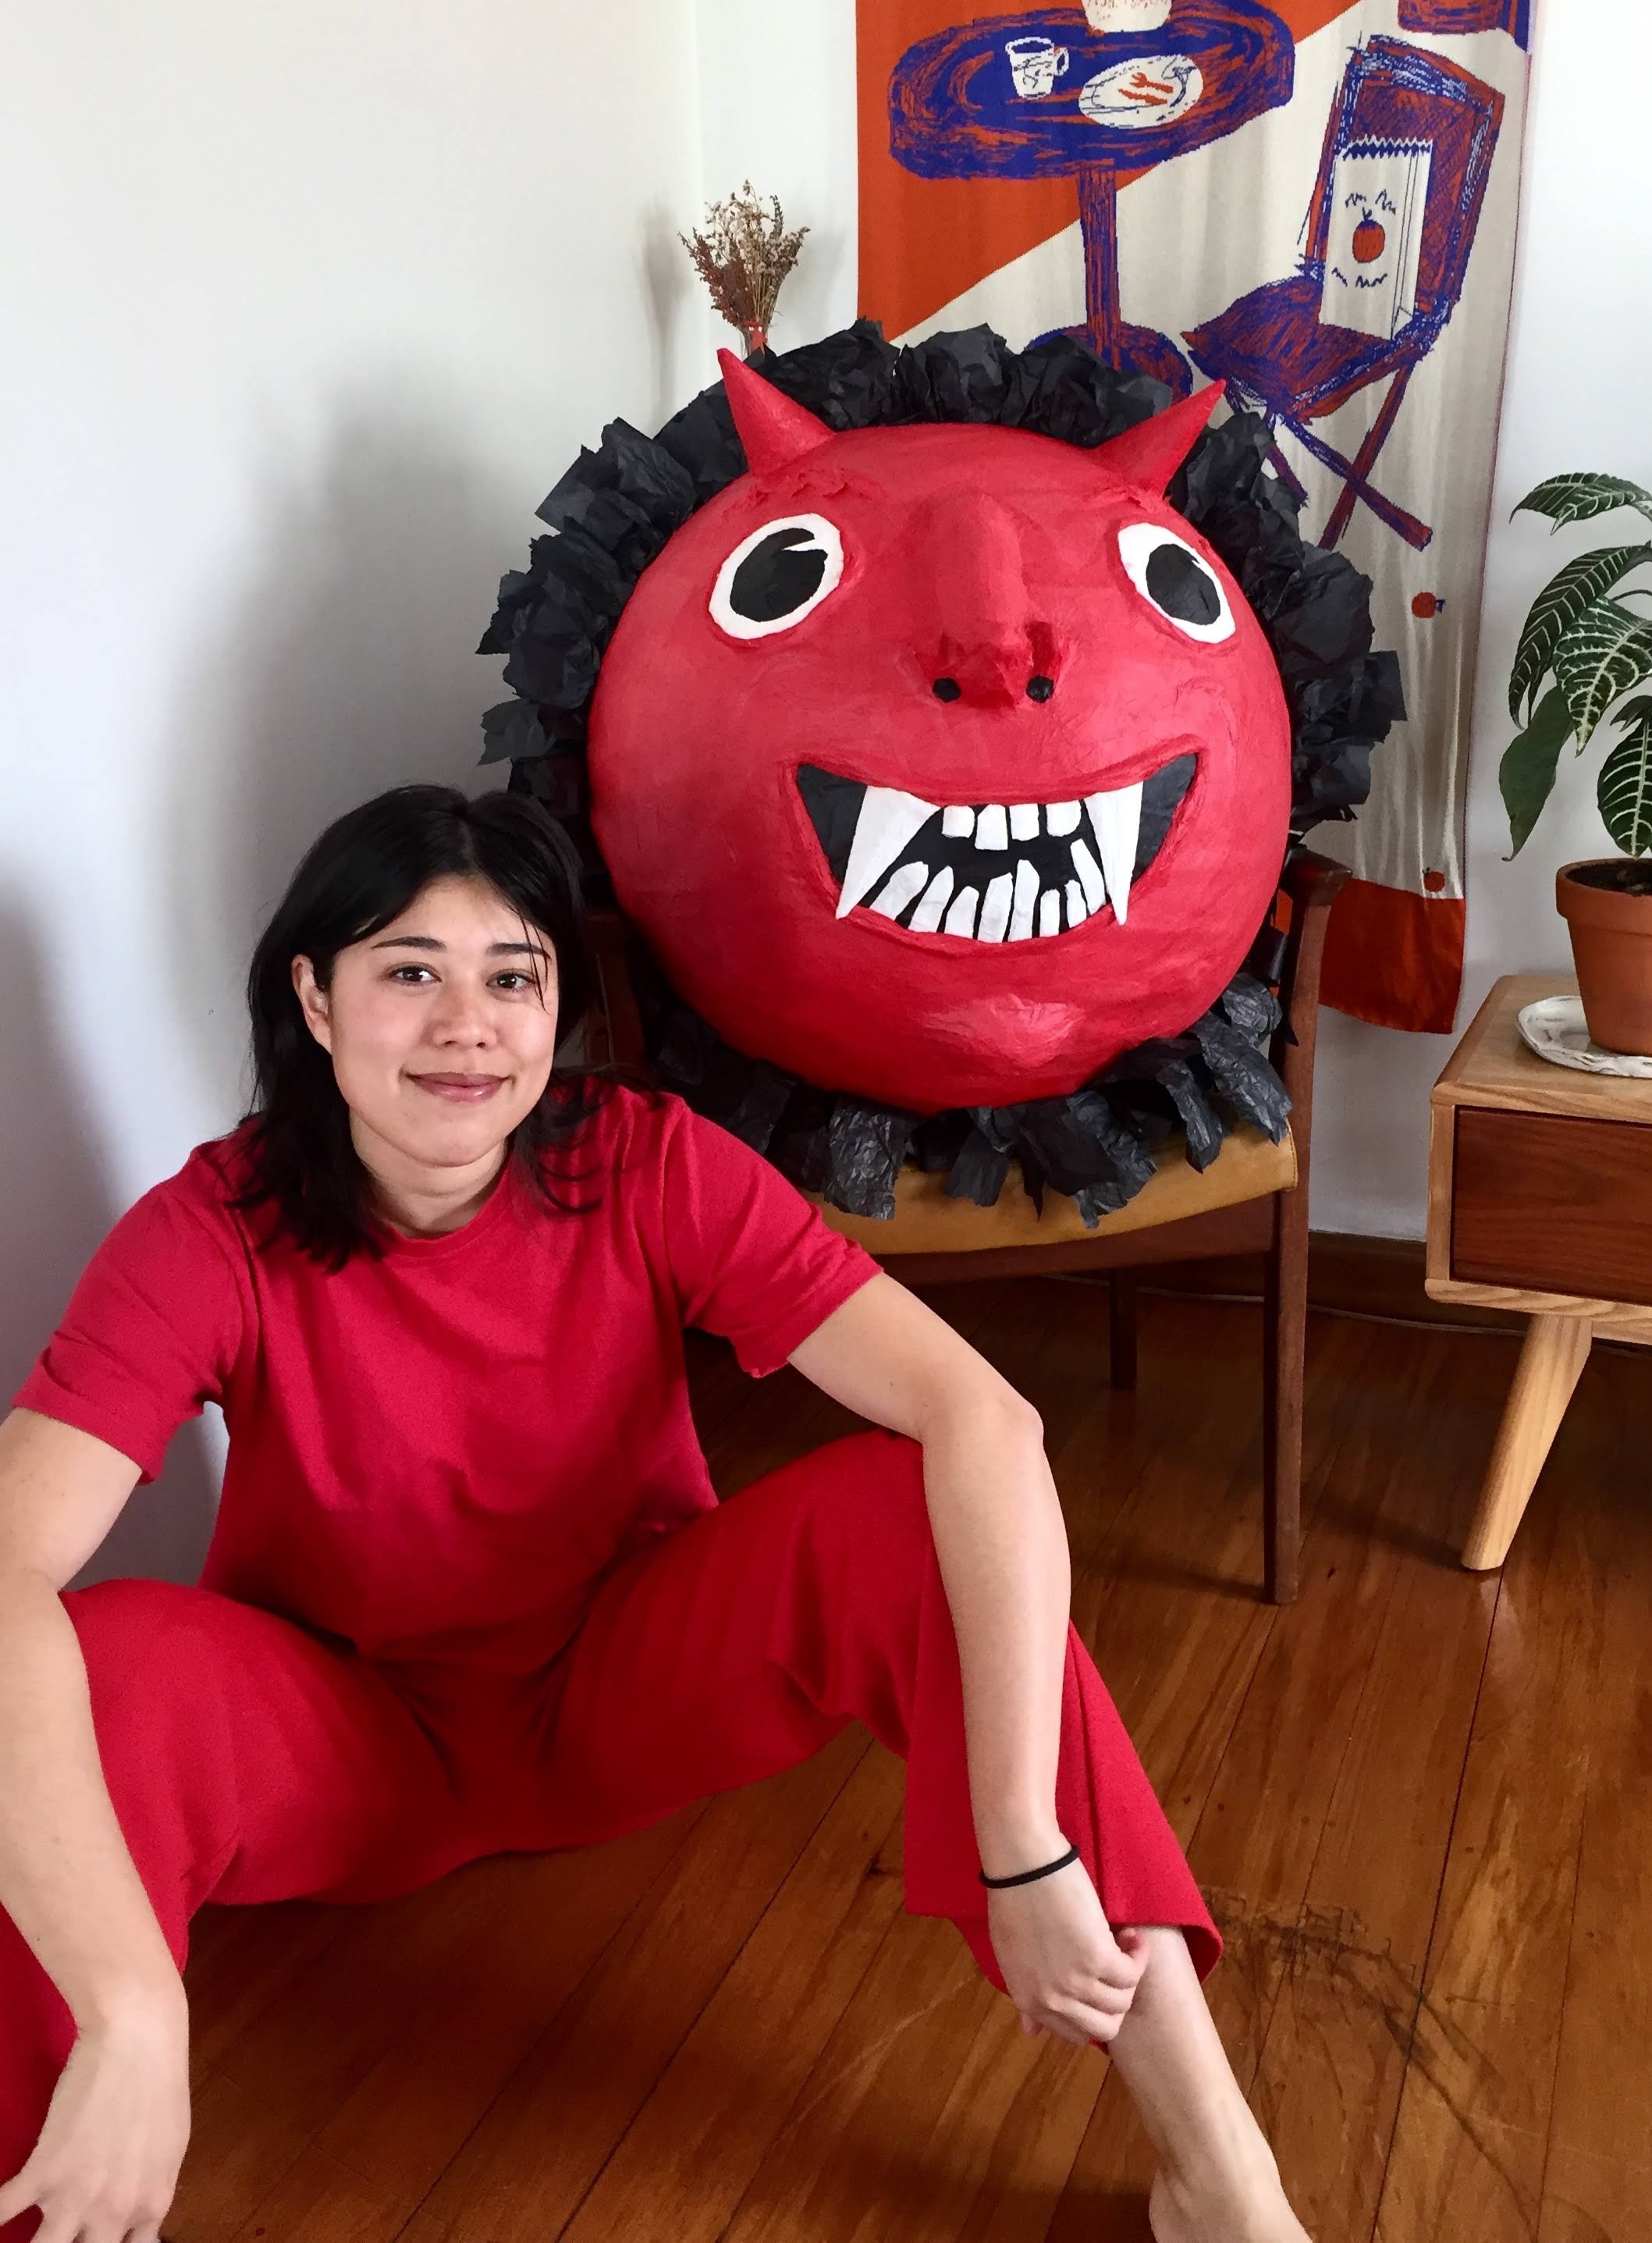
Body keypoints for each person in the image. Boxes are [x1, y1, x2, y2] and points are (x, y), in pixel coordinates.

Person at [0, 784, 1309, 2243]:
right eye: (408, 971)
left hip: (613, 1688)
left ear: (558, 1006)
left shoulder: (643, 1158)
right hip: (348, 1739)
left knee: (909, 1509)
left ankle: (1220, 2174)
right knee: (80, 1668)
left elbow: (982, 1417)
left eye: (514, 977)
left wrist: (1021, 1836)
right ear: (313, 998)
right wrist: (129, 2007)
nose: (468, 1024)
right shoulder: (212, 1226)